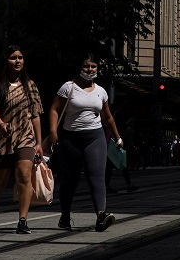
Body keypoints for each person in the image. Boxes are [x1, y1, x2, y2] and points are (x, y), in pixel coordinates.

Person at [47, 51, 123, 233]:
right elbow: (54, 109)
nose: (90, 69)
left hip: (94, 137)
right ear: (80, 68)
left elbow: (108, 117)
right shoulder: (68, 87)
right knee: (69, 179)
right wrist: (52, 131)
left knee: (96, 176)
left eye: (93, 66)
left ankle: (101, 216)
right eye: (86, 66)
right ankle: (65, 216)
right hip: (70, 138)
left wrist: (117, 137)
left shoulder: (101, 92)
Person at [0, 45, 43, 234]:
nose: (17, 61)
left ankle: (23, 220)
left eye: (20, 58)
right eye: (13, 58)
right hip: (1, 137)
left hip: (25, 136)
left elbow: (35, 114)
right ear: (6, 61)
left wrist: (39, 142)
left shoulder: (30, 85)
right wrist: (1, 124)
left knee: (24, 176)